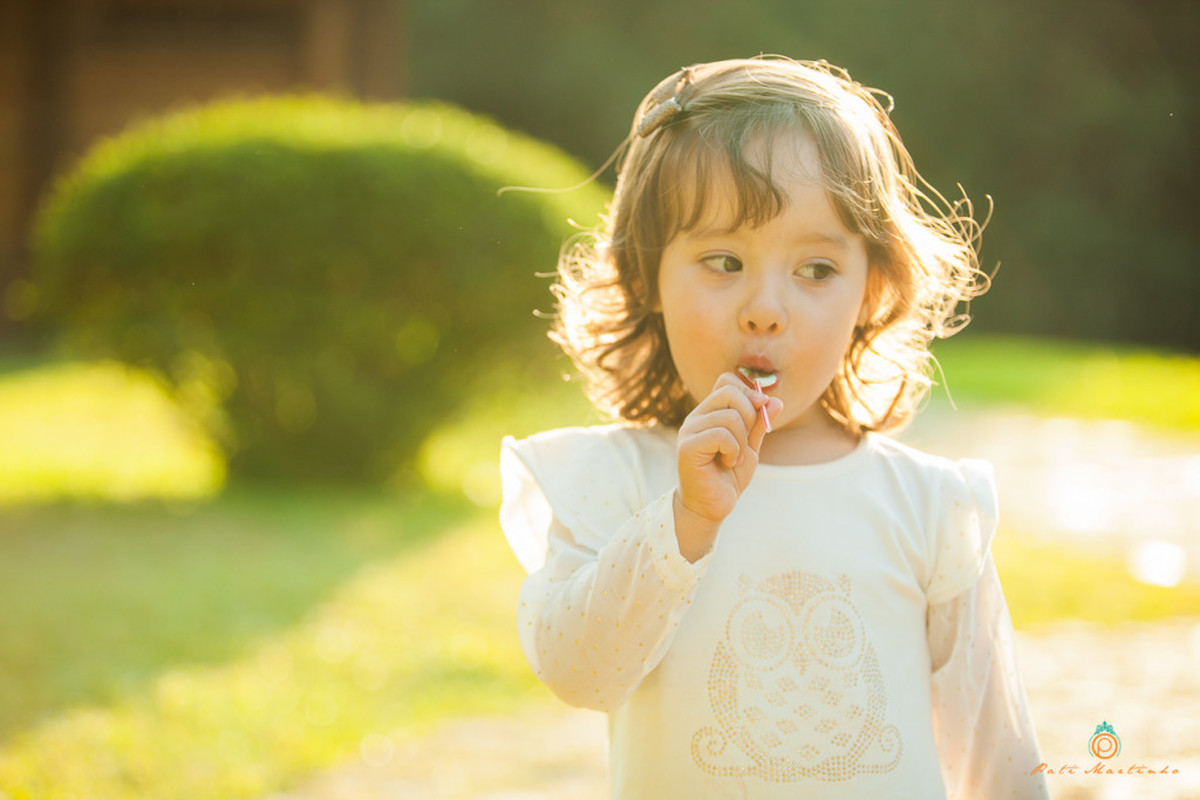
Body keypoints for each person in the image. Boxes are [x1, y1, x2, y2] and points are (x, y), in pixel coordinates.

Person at [499, 57, 1049, 799]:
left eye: (816, 270)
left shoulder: (929, 507)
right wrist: (685, 520)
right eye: (723, 261)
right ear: (644, 277)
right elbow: (578, 672)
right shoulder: (614, 482)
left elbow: (998, 754)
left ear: (872, 289)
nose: (765, 307)